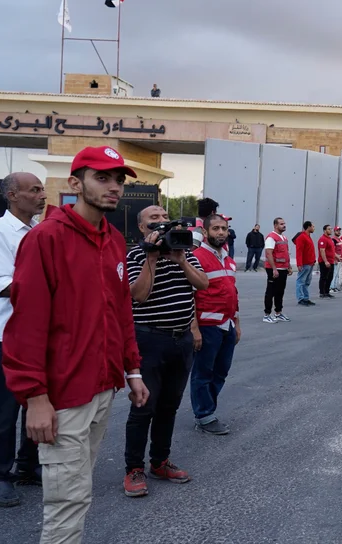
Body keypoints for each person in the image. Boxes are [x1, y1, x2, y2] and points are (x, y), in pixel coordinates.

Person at [2, 146, 149, 543]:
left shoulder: (114, 240)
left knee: (79, 491)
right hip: (63, 395)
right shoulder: (46, 238)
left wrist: (132, 369)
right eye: (102, 178)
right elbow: (26, 325)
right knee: (66, 502)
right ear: (75, 183)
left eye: (118, 180)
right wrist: (35, 398)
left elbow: (120, 311)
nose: (114, 187)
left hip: (103, 388)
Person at [122, 206, 209, 498]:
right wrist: (151, 257)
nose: (161, 222)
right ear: (141, 228)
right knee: (143, 406)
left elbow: (203, 284)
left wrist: (181, 260)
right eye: (154, 219)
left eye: (164, 217)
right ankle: (134, 468)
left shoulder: (184, 250)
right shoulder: (135, 255)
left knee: (169, 406)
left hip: (181, 340)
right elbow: (139, 296)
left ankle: (159, 461)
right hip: (149, 339)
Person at [0, 172, 45, 508]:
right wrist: (55, 284)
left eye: (42, 189)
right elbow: (4, 286)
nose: (42, 195)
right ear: (12, 195)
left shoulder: (38, 232)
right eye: (34, 190)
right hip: (6, 335)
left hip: (39, 335)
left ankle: (28, 465)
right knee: (3, 411)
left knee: (38, 404)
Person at [190, 214, 241, 435]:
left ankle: (207, 409)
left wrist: (236, 323)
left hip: (227, 325)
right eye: (216, 228)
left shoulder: (228, 259)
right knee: (203, 373)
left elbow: (233, 293)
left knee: (221, 371)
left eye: (224, 228)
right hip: (207, 325)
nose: (221, 232)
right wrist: (194, 328)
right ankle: (204, 415)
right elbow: (190, 296)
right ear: (205, 232)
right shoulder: (196, 258)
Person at [262, 217, 291, 323]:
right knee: (271, 291)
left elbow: (286, 253)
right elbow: (269, 253)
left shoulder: (284, 238)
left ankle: (278, 313)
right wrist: (274, 269)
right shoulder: (271, 237)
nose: (284, 225)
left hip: (283, 268)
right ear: (275, 225)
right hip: (274, 269)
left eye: (284, 223)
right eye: (281, 224)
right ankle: (267, 314)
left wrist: (289, 266)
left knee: (280, 292)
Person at [295, 221, 317, 307]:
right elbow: (299, 251)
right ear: (308, 227)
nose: (314, 228)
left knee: (307, 282)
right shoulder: (302, 237)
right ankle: (301, 298)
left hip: (310, 263)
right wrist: (299, 264)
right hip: (304, 263)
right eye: (313, 226)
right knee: (301, 281)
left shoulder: (308, 236)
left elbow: (309, 250)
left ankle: (306, 298)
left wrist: (313, 260)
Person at [318, 224, 336, 299]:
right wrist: (325, 261)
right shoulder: (323, 239)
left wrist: (337, 257)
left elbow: (332, 250)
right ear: (325, 230)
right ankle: (322, 292)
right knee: (324, 277)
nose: (331, 230)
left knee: (330, 277)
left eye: (331, 229)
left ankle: (327, 291)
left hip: (331, 261)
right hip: (324, 262)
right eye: (329, 229)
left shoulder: (330, 239)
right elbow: (322, 250)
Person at [331, 226, 342, 293]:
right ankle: (331, 287)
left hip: (339, 260)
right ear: (334, 231)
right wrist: (334, 259)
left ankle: (335, 286)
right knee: (334, 274)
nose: (339, 232)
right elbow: (332, 250)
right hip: (335, 260)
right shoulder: (333, 240)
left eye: (339, 231)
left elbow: (341, 250)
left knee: (336, 274)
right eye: (337, 231)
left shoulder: (339, 240)